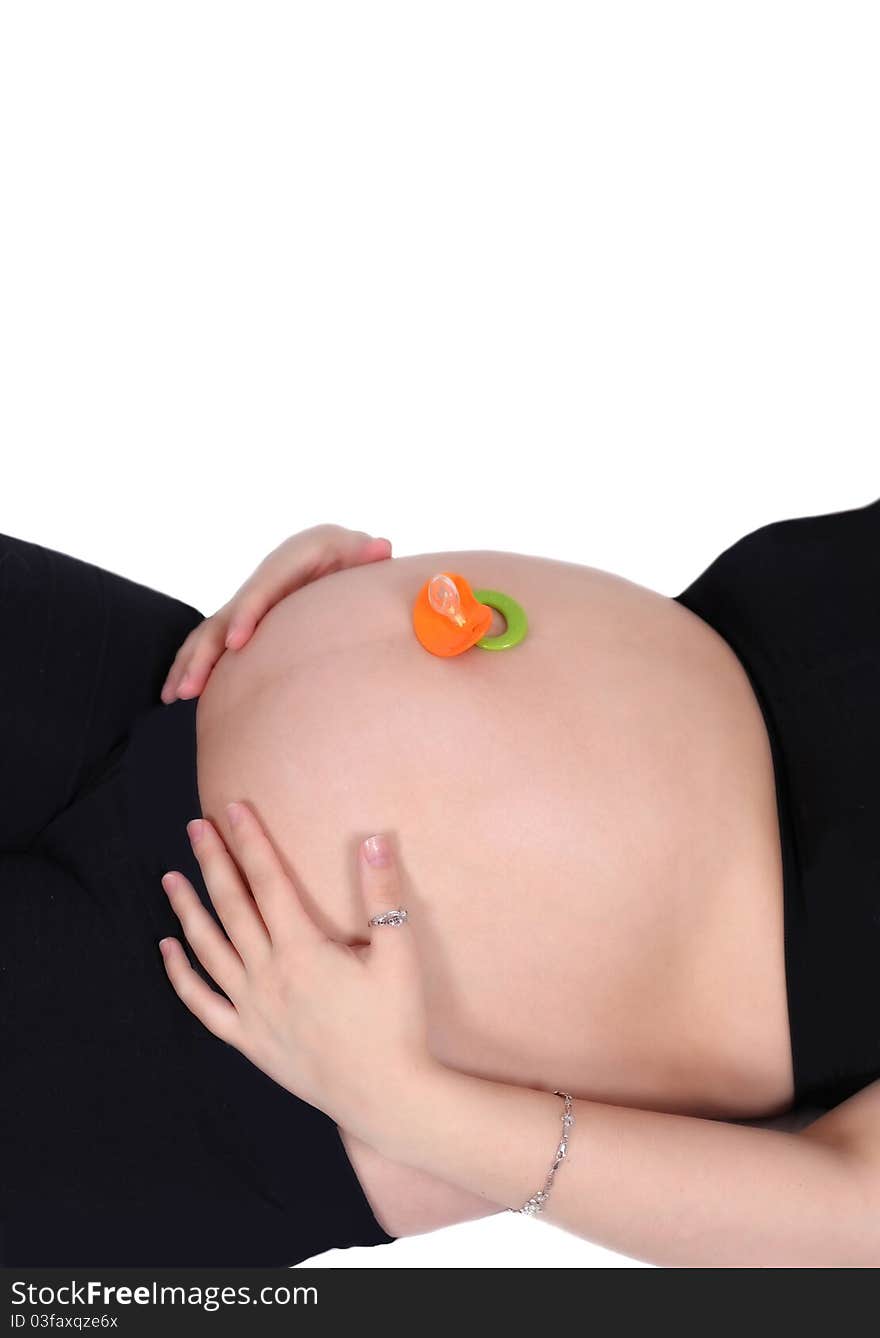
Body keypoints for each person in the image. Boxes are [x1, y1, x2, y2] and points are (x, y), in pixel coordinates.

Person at [3, 506, 880, 1267]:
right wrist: (348, 616)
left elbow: (849, 1215)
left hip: (235, 1054)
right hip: (158, 681)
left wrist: (412, 1111)